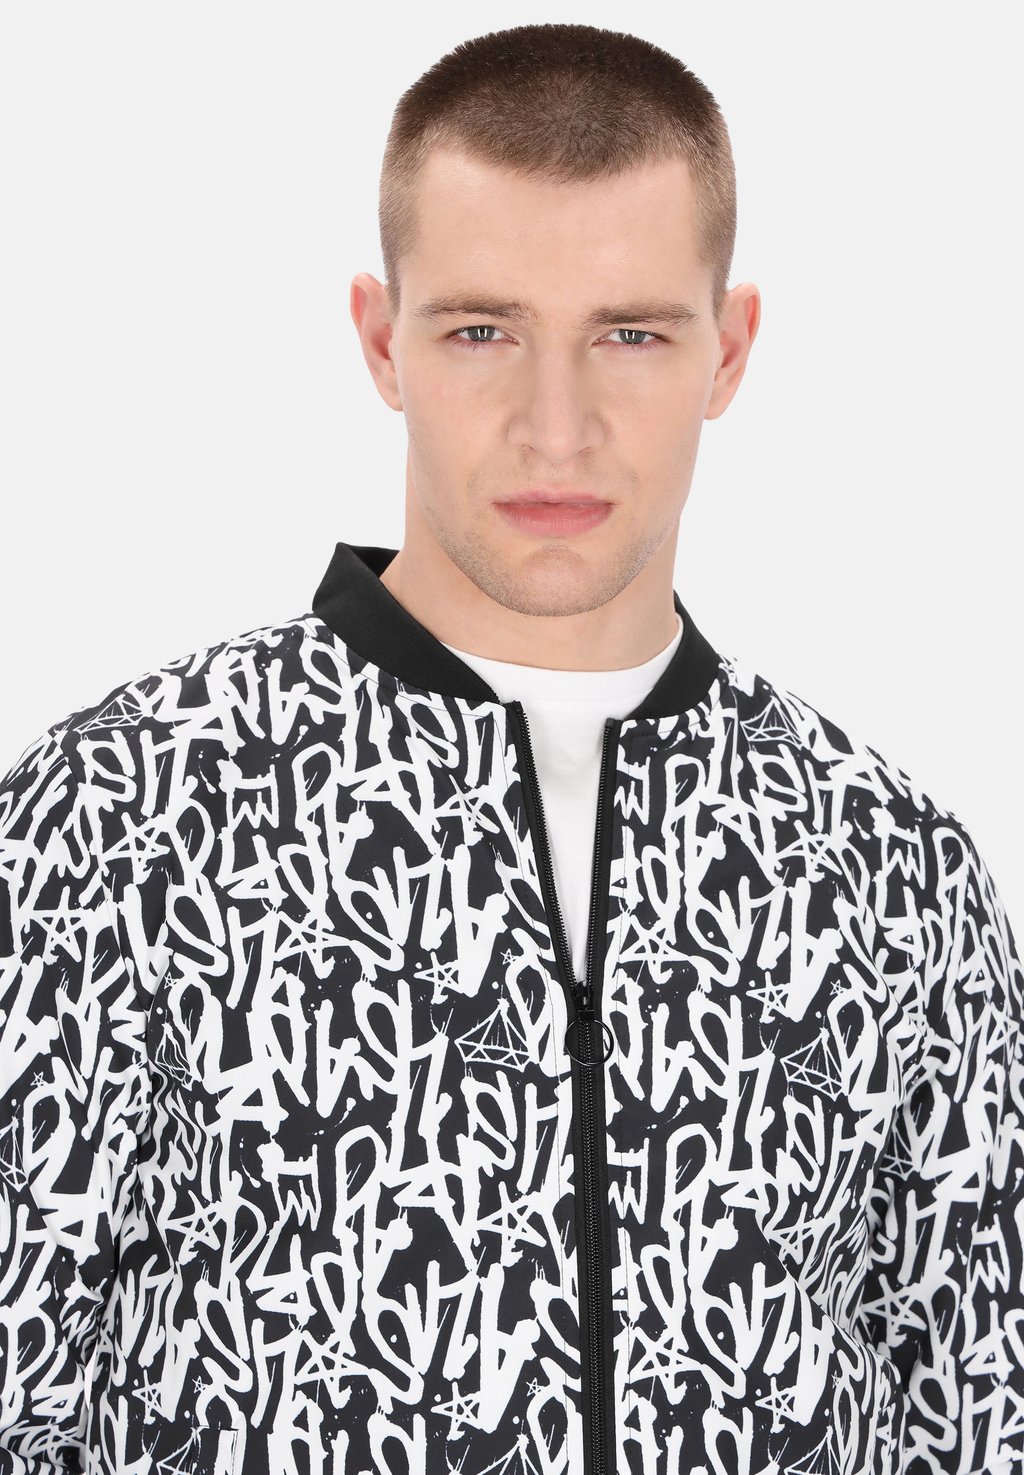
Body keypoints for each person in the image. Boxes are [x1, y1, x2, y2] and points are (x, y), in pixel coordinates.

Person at [1, 21, 1021, 1475]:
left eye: (630, 334)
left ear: (729, 350)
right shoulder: (116, 820)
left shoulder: (889, 872)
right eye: (482, 330)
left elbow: (976, 1409)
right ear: (381, 341)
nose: (557, 427)